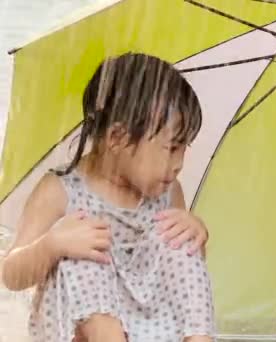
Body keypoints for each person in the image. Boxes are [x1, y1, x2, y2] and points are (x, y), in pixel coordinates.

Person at [2, 53, 215, 342]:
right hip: (83, 330)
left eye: (184, 148)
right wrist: (52, 244)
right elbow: (12, 275)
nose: (179, 163)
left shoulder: (169, 190)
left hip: (149, 328)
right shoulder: (60, 190)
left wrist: (196, 235)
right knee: (86, 248)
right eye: (172, 147)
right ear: (117, 138)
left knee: (178, 242)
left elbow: (181, 277)